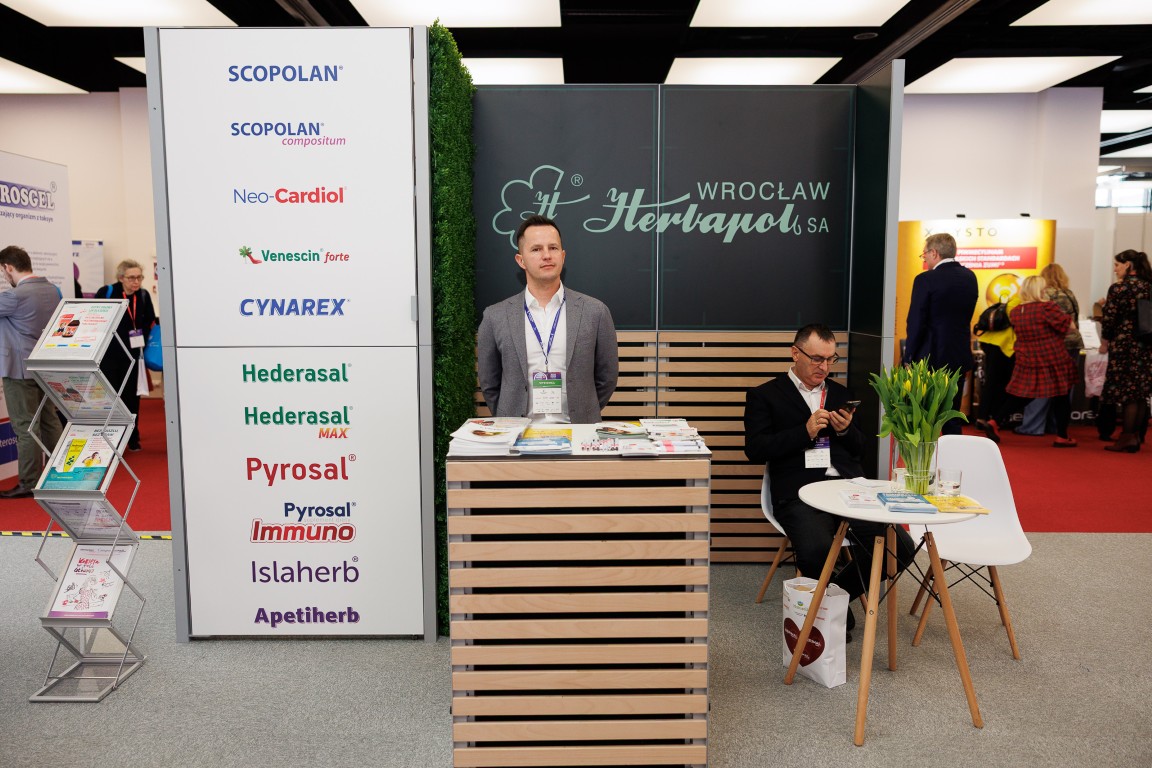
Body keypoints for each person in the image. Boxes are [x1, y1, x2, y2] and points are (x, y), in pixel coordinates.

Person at [744, 324, 915, 641]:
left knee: (901, 547)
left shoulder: (841, 394)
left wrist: (845, 431)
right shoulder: (765, 395)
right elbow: (755, 450)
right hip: (799, 493)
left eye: (830, 359)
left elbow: (860, 449)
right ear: (795, 353)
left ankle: (834, 596)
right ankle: (827, 603)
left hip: (847, 488)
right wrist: (804, 432)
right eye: (816, 359)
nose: (824, 367)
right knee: (816, 549)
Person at [477, 215, 618, 423]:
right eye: (536, 249)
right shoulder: (495, 316)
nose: (546, 255)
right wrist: (508, 416)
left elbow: (607, 377)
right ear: (521, 260)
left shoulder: (595, 312)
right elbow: (490, 383)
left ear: (563, 255)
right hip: (518, 433)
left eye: (553, 248)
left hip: (578, 432)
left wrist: (584, 410)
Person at [982, 276, 1078, 447]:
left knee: (1022, 396)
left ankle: (995, 420)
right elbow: (1070, 327)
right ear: (1040, 290)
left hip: (1028, 359)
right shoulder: (1047, 308)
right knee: (1061, 395)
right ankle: (1062, 436)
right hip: (1053, 356)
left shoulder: (1016, 312)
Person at [0, 245, 65, 499]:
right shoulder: (52, 290)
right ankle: (60, 474)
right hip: (45, 366)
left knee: (25, 426)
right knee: (49, 420)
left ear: (8, 267)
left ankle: (29, 481)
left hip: (19, 370)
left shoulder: (14, 296)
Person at [904, 233, 979, 435]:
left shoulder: (925, 279)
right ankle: (952, 455)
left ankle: (924, 456)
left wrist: (908, 356)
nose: (925, 259)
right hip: (958, 356)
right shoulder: (970, 277)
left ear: (934, 253)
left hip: (930, 357)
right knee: (951, 416)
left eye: (924, 255)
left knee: (923, 418)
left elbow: (916, 322)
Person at [1017, 263, 1085, 436]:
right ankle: (1057, 426)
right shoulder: (1069, 294)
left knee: (1042, 386)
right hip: (1074, 343)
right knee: (1064, 389)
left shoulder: (1047, 296)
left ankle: (1033, 426)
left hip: (1053, 346)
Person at [95, 260, 156, 451]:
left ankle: (132, 436)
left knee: (132, 397)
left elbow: (150, 321)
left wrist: (143, 339)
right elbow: (96, 318)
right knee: (112, 397)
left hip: (134, 355)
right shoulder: (107, 293)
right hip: (109, 356)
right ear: (121, 278)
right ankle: (112, 436)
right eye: (131, 278)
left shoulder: (143, 295)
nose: (136, 281)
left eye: (139, 277)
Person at [1099, 249, 1152, 453]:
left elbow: (1110, 319)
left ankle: (1126, 437)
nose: (1115, 269)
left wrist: (1105, 340)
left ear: (1128, 264)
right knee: (1140, 393)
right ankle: (1135, 436)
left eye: (1117, 265)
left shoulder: (1119, 288)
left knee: (1128, 393)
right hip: (1145, 345)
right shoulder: (1148, 286)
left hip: (1124, 345)